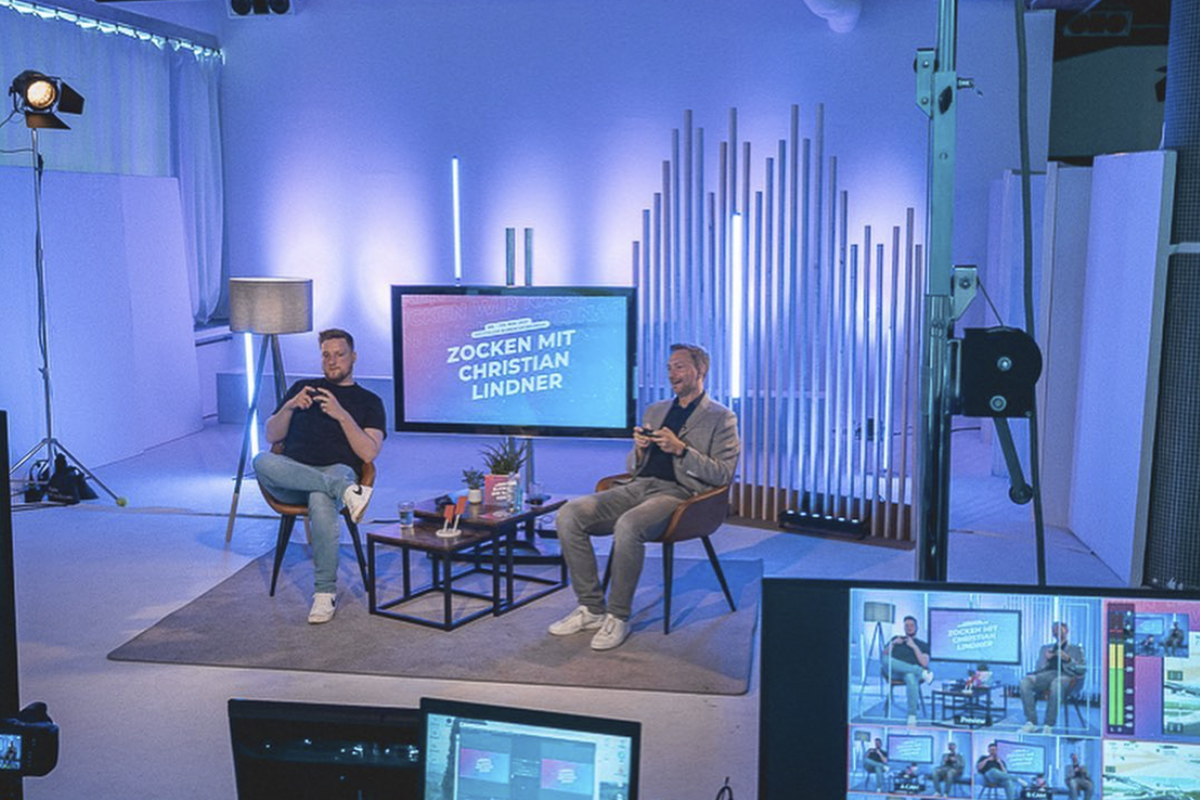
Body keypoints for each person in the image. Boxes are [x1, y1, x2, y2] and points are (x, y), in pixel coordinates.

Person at [550, 344, 739, 651]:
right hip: (638, 486)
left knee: (629, 525)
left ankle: (618, 616)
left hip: (680, 496)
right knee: (569, 514)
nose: (671, 374)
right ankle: (592, 609)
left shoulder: (722, 417)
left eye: (679, 367)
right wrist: (639, 449)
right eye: (669, 367)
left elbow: (722, 474)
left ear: (700, 371)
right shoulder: (656, 410)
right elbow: (633, 468)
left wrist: (682, 449)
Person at [252, 328, 385, 624]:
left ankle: (324, 594)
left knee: (320, 496)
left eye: (339, 354)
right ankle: (347, 492)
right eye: (326, 355)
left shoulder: (369, 401)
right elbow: (271, 435)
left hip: (336, 470)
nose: (332, 361)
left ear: (354, 357)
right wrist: (289, 406)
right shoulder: (303, 388)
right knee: (261, 461)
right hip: (291, 476)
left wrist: (341, 414)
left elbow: (369, 454)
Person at [1019, 621, 1086, 733]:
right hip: (1047, 674)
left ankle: (1048, 724)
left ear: (1067, 630)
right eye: (1054, 630)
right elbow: (1038, 668)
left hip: (1067, 676)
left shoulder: (1076, 649)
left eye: (1060, 629)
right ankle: (1031, 722)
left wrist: (1069, 660)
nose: (1057, 632)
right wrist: (1046, 660)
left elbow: (1081, 669)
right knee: (1025, 682)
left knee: (1057, 683)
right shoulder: (1045, 648)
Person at [881, 615, 933, 726]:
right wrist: (893, 643)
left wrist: (914, 646)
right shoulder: (895, 639)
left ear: (916, 627)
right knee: (885, 660)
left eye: (912, 625)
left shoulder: (922, 644)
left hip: (910, 675)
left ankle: (912, 716)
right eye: (907, 626)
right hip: (894, 673)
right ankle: (922, 672)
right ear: (904, 628)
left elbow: (924, 662)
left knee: (909, 676)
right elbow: (884, 655)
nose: (909, 628)